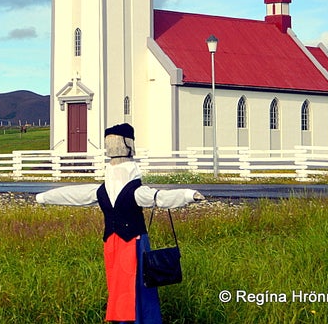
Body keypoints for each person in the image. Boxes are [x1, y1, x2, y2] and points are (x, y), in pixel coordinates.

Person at [36, 123, 204, 323]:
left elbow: (159, 197)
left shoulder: (135, 191)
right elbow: (73, 194)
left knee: (138, 288)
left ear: (128, 145)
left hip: (133, 244)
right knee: (117, 289)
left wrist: (187, 195)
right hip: (112, 245)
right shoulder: (102, 190)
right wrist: (44, 197)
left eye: (115, 142)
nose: (111, 147)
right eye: (109, 143)